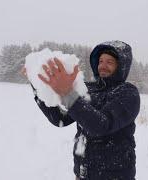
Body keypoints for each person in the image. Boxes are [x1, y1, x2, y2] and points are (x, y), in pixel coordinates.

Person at [28, 40, 140, 180]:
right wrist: (37, 84)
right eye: (100, 61)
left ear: (121, 66)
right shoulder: (89, 89)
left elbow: (101, 125)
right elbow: (59, 119)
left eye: (109, 62)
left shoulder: (128, 93)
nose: (103, 66)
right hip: (82, 175)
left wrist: (67, 94)